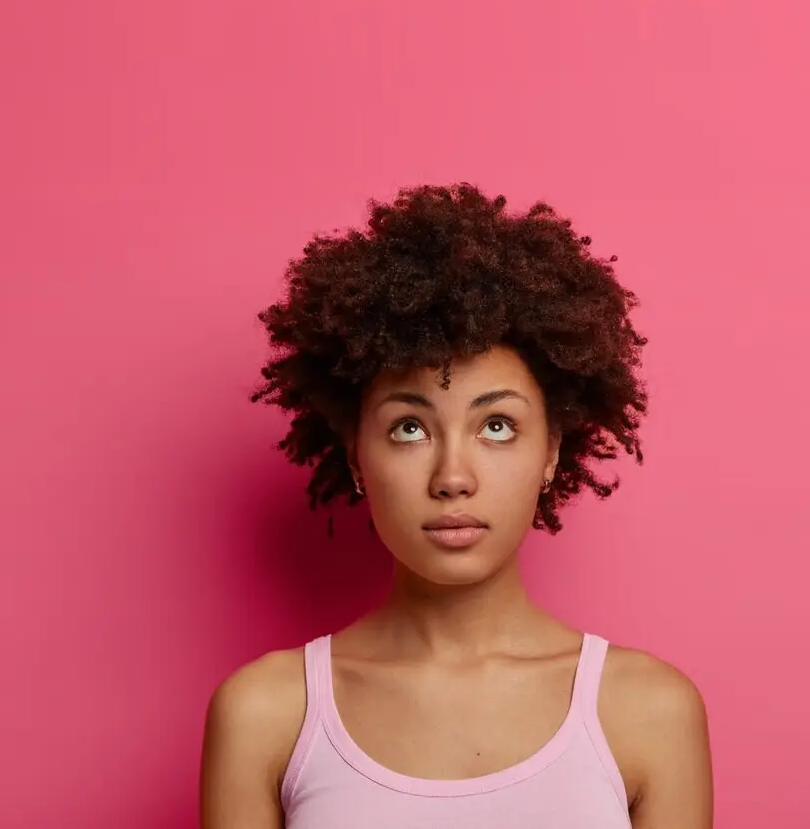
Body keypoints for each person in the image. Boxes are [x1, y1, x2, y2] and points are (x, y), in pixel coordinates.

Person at [200, 183, 714, 827]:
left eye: (496, 425)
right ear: (357, 456)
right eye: (409, 428)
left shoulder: (647, 712)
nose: (452, 477)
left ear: (551, 451)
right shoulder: (267, 715)